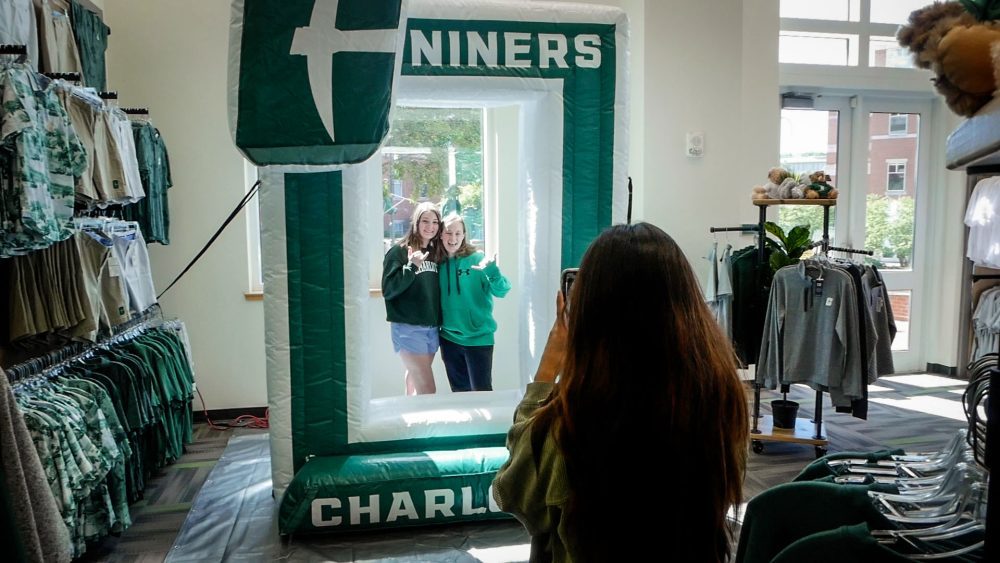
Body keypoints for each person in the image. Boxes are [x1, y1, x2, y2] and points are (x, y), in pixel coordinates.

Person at [492, 222, 749, 563]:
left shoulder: (567, 424)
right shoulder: (719, 400)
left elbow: (512, 494)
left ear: (589, 312)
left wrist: (546, 372)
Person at [438, 213, 511, 392]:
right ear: (440, 234)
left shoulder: (477, 259)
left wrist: (492, 271)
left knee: (482, 392)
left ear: (464, 235)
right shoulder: (437, 262)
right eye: (448, 233)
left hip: (479, 339)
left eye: (458, 233)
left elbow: (502, 291)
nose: (453, 238)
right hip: (448, 339)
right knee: (459, 393)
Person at [381, 202, 444, 395]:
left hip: (431, 327)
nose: (430, 226)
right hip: (408, 328)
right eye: (425, 221)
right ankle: (430, 425)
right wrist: (411, 266)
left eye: (435, 222)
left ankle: (410, 418)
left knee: (414, 378)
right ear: (416, 222)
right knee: (428, 388)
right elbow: (389, 289)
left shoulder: (435, 253)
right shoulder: (398, 251)